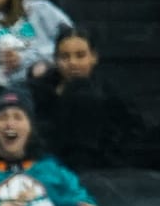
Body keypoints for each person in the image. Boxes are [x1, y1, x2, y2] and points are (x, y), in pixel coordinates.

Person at [30, 28, 148, 173]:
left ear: (94, 57)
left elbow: (133, 133)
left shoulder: (111, 94)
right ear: (55, 59)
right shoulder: (38, 90)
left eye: (80, 55)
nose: (72, 63)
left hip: (102, 169)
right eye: (65, 57)